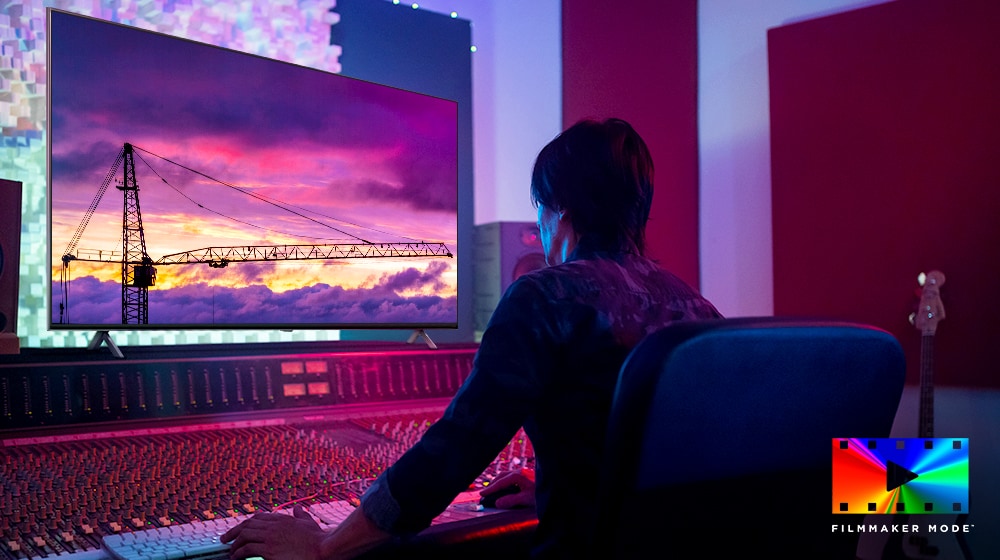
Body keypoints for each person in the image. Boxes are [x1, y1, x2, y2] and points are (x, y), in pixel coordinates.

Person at [222, 118, 722, 559]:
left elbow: (458, 444)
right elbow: (666, 451)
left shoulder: (545, 297)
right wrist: (563, 481)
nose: (540, 228)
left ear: (560, 209)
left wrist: (328, 546)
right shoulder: (696, 307)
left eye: (540, 210)